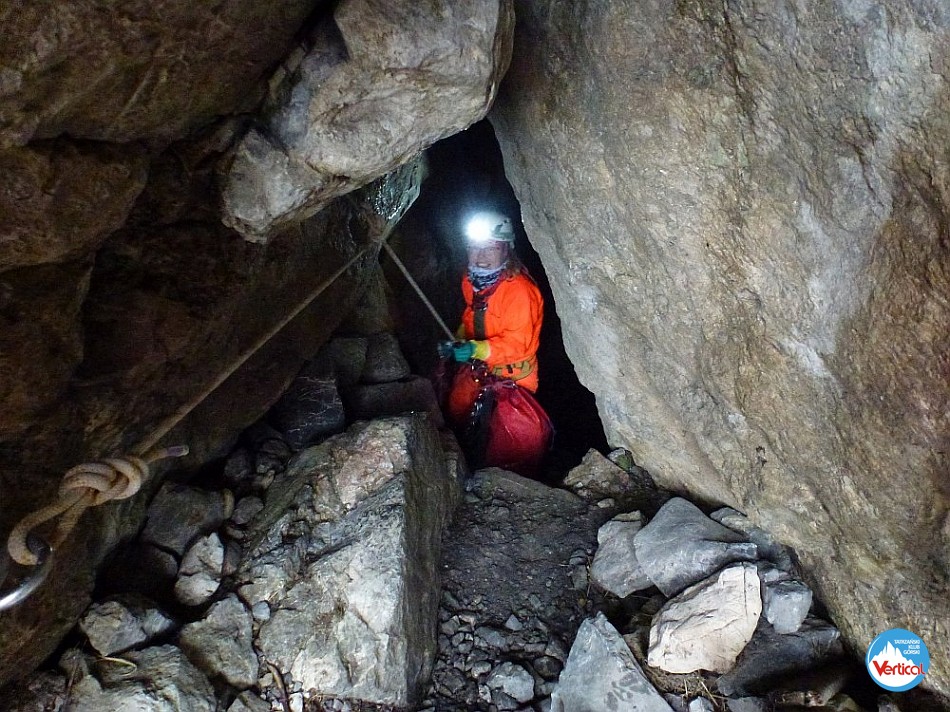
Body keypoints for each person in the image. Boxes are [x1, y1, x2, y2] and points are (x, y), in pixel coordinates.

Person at [439, 210, 544, 392]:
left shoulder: (519, 292)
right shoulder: (470, 280)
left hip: (512, 379)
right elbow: (472, 313)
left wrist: (474, 349)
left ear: (506, 250)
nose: (481, 257)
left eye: (490, 248)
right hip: (478, 369)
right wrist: (459, 339)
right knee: (455, 412)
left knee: (501, 421)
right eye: (474, 247)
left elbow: (517, 345)